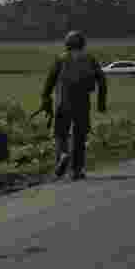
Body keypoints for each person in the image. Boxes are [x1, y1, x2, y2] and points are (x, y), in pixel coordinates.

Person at [40, 30, 107, 180]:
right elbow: (102, 80)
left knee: (60, 134)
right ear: (82, 44)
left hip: (62, 102)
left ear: (67, 44)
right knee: (79, 136)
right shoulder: (90, 58)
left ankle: (62, 156)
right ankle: (76, 170)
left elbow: (49, 81)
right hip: (82, 102)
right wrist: (101, 103)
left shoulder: (60, 59)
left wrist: (45, 98)